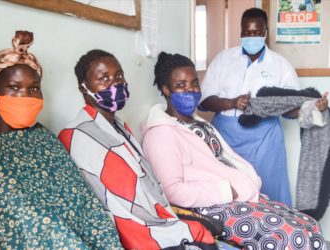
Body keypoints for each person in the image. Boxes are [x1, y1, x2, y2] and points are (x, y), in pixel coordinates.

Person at [142, 51, 327, 250]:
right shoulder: (161, 134)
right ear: (166, 90)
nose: (191, 89)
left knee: (308, 224)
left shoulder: (198, 123)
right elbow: (172, 190)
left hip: (237, 199)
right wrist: (226, 191)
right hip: (212, 208)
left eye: (194, 83)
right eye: (181, 85)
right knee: (294, 236)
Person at [58, 49, 221, 250]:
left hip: (157, 215)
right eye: (104, 78)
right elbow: (112, 201)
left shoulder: (120, 127)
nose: (114, 83)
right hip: (131, 228)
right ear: (83, 88)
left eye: (118, 76)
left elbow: (146, 185)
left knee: (203, 231)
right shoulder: (75, 135)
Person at [0, 31, 121, 249]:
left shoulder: (43, 136)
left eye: (33, 88)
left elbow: (81, 199)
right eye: (15, 88)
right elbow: (10, 216)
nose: (25, 96)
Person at [198, 8, 326, 206]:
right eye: (247, 33)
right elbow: (204, 101)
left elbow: (290, 110)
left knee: (269, 194)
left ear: (266, 32)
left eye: (257, 32)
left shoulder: (281, 65)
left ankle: (275, 236)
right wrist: (232, 102)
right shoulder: (223, 60)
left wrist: (312, 107)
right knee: (229, 194)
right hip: (225, 138)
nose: (252, 37)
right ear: (240, 32)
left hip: (265, 142)